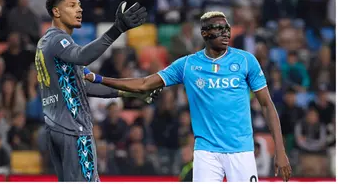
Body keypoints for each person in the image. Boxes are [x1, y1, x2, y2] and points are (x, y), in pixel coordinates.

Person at [84, 11, 292, 182]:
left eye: (227, 28)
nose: (226, 32)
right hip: (206, 152)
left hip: (241, 150)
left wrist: (280, 151)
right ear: (204, 33)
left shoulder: (246, 61)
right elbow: (144, 84)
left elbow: (267, 105)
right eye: (218, 28)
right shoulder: (187, 65)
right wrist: (99, 78)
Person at [37, 0, 160, 182]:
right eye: (72, 5)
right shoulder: (58, 41)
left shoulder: (46, 43)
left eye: (79, 5)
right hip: (74, 130)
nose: (79, 9)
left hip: (57, 128)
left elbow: (85, 86)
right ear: (56, 11)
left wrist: (132, 94)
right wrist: (117, 29)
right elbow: (82, 56)